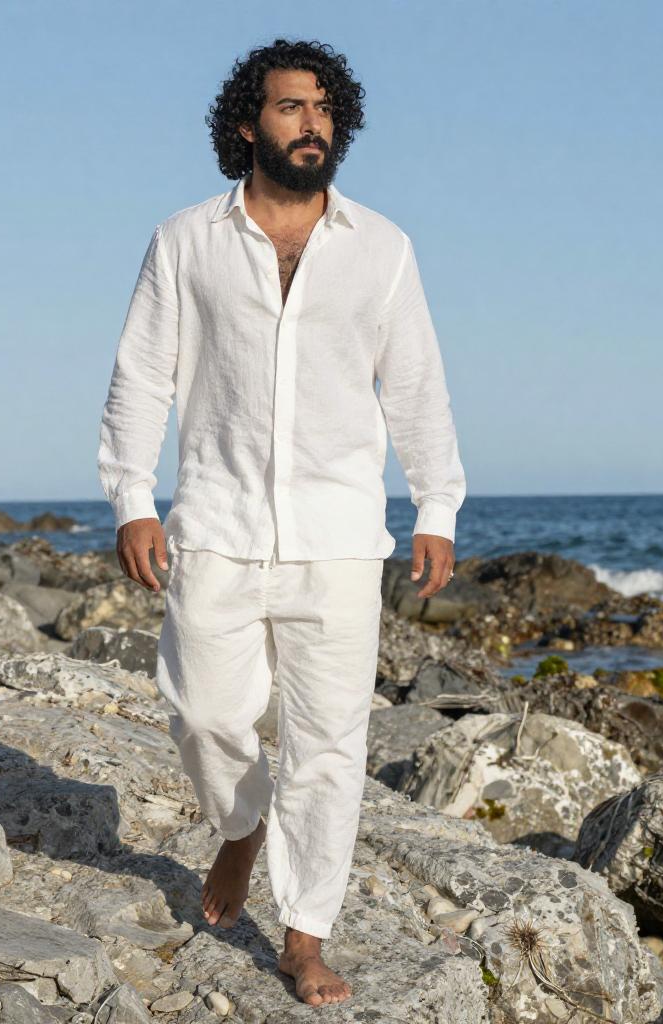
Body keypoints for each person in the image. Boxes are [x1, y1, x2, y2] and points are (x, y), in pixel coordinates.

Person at [97, 38, 465, 1007]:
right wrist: (132, 496)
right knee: (206, 712)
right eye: (292, 107)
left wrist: (436, 506)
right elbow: (142, 374)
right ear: (245, 123)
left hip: (340, 536)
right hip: (214, 523)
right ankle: (239, 824)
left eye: (325, 109)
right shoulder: (185, 240)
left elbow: (416, 384)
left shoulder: (382, 248)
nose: (312, 123)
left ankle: (304, 936)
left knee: (328, 743)